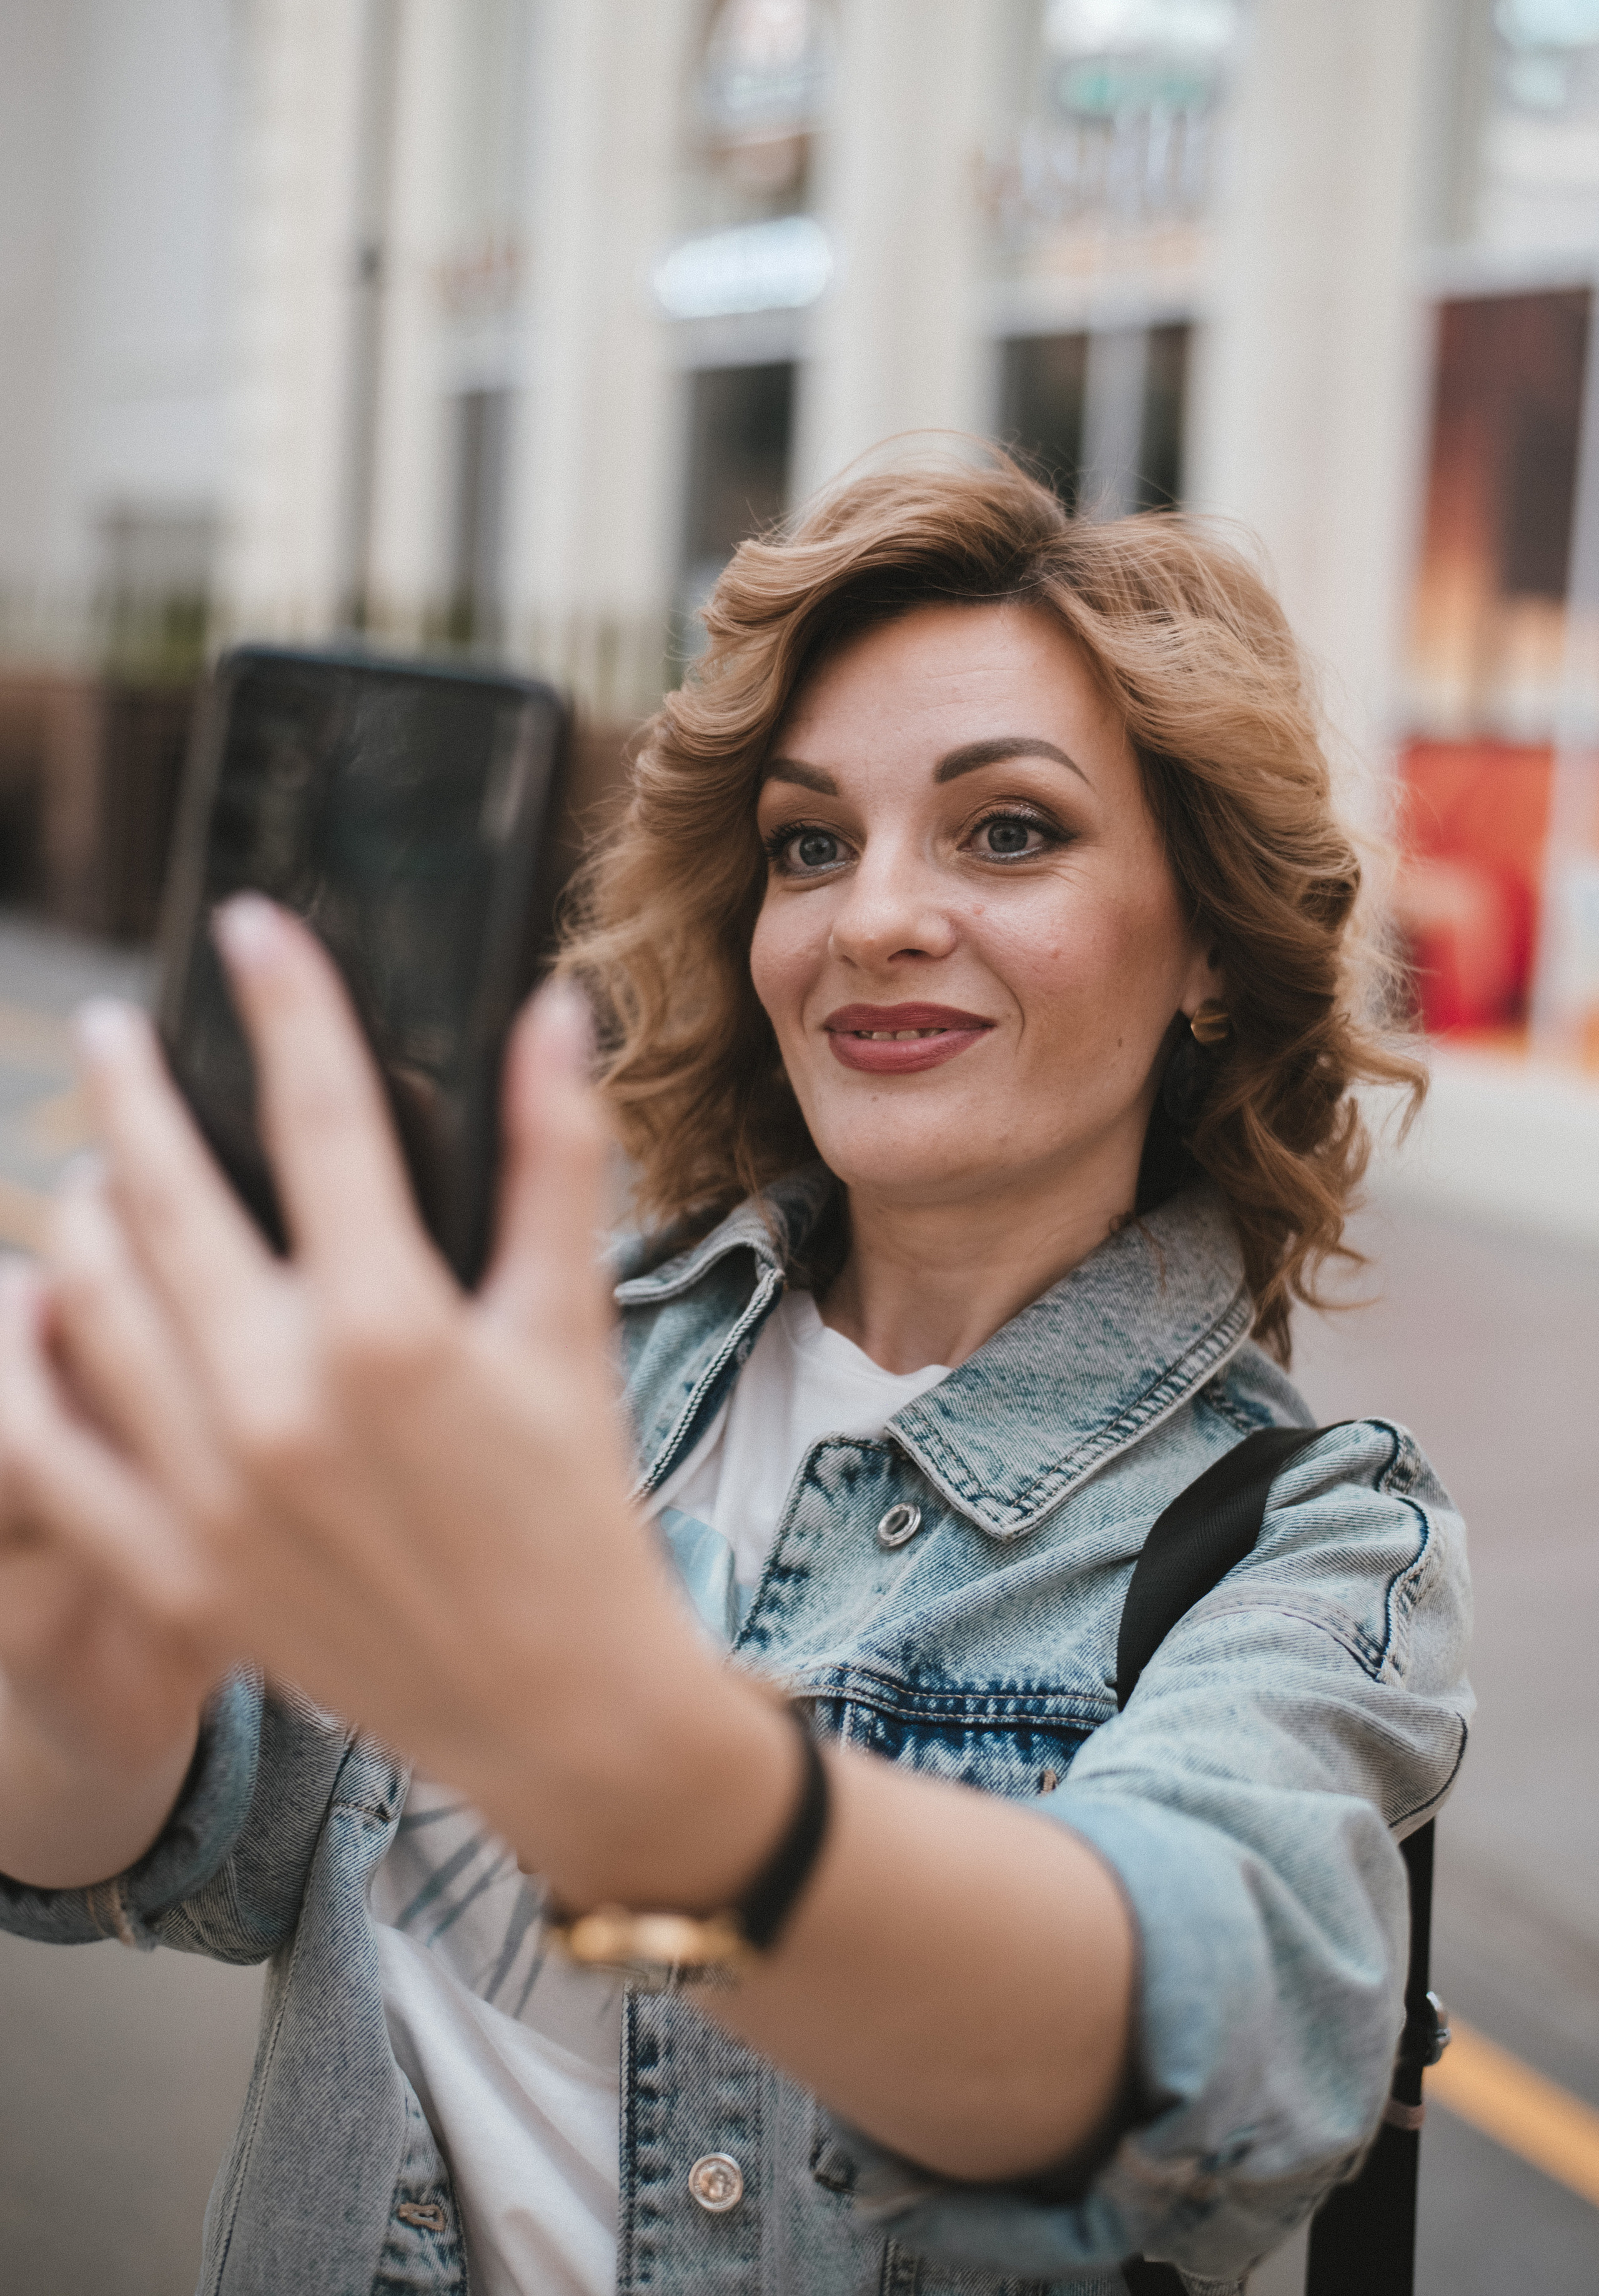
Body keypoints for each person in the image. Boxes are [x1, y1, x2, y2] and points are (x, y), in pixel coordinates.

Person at [0, 454, 1471, 2296]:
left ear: (1205, 943)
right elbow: (174, 1829)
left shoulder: (1313, 1538)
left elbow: (1203, 2052)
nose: (872, 918)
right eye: (809, 842)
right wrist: (67, 1639)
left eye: (1007, 830)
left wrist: (649, 1773)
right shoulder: (539, 1361)